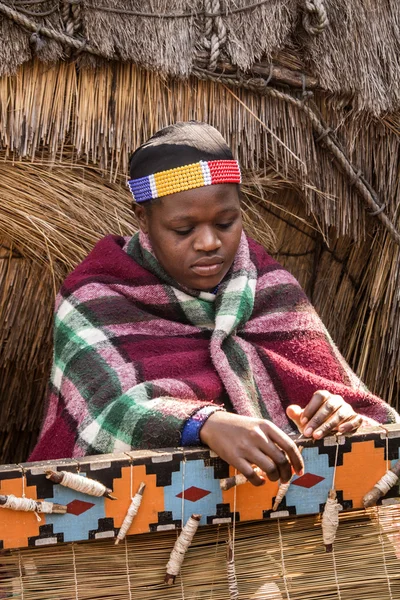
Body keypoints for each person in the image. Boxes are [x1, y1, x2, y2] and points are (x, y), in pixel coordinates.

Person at [29, 122, 399, 486]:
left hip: (290, 530)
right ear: (143, 218)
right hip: (141, 531)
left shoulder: (270, 286)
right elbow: (99, 416)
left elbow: (371, 424)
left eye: (226, 222)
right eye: (184, 229)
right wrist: (202, 423)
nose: (208, 242)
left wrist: (342, 416)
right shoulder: (96, 297)